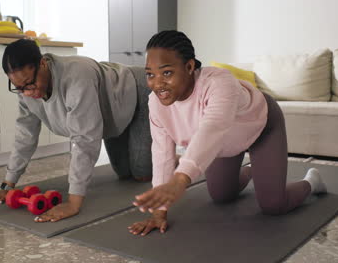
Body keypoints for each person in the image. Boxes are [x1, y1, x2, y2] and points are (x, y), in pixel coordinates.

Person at [129, 30, 327, 236]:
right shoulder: (156, 103)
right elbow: (161, 152)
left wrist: (180, 179)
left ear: (189, 67)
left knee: (274, 205)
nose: (157, 83)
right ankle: (254, 170)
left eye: (167, 72)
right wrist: (159, 213)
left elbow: (212, 128)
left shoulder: (219, 82)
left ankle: (312, 182)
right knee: (221, 195)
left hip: (262, 125)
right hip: (225, 144)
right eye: (150, 74)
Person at [0, 39, 153, 222]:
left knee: (140, 174)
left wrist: (73, 202)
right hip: (113, 112)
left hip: (138, 91)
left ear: (42, 64)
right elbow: (25, 134)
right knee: (124, 174)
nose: (28, 93)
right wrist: (8, 184)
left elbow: (85, 139)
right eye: (19, 87)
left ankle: (173, 162)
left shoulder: (76, 75)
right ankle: (142, 146)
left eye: (29, 84)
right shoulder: (26, 89)